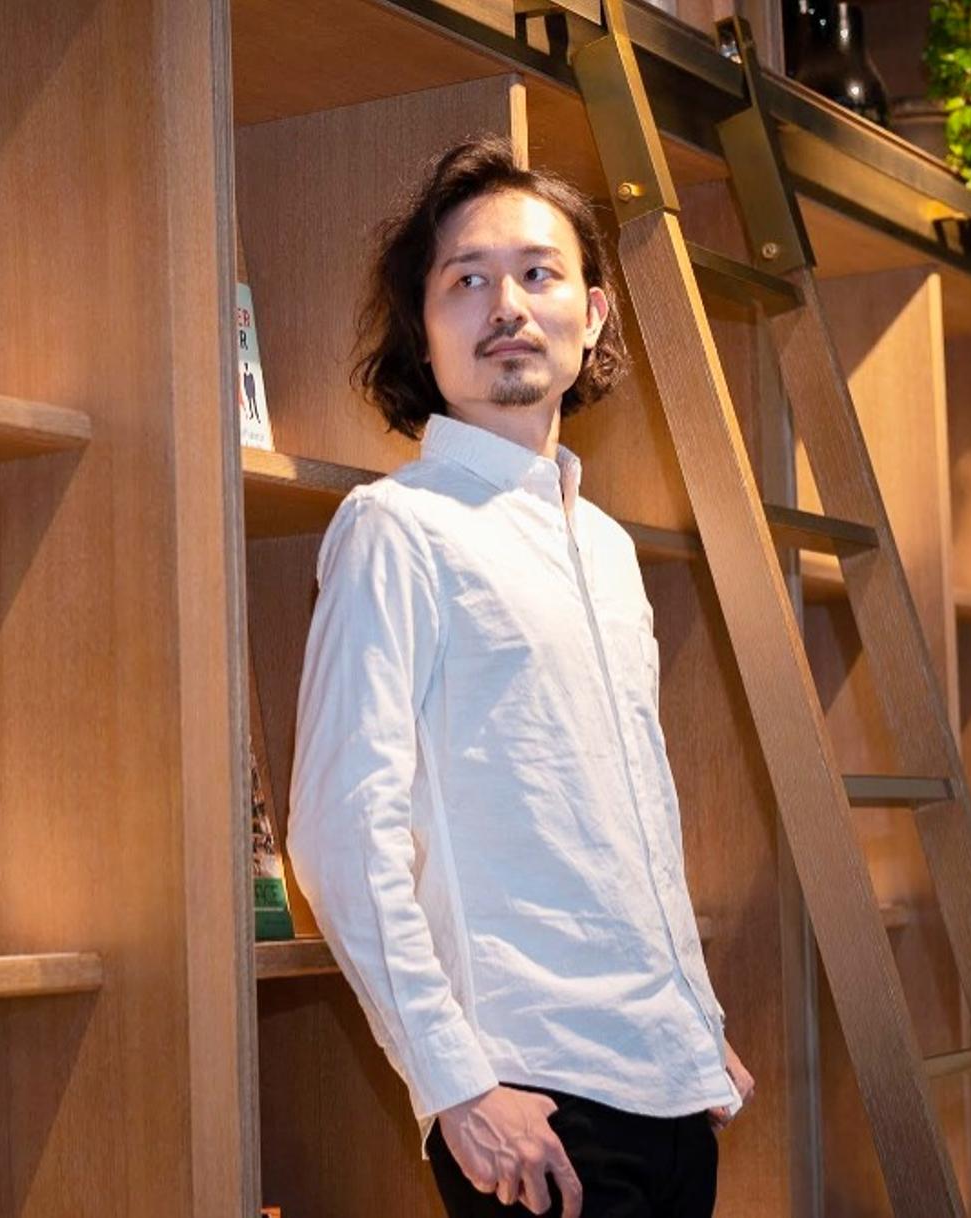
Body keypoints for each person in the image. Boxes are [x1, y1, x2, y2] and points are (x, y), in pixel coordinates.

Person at [287, 135, 755, 1218]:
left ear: (591, 315)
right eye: (466, 280)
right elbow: (342, 833)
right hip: (533, 1106)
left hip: (672, 1092)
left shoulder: (607, 548)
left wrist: (696, 1024)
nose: (505, 304)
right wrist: (456, 1085)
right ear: (424, 328)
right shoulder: (396, 527)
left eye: (538, 273)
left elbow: (631, 818)